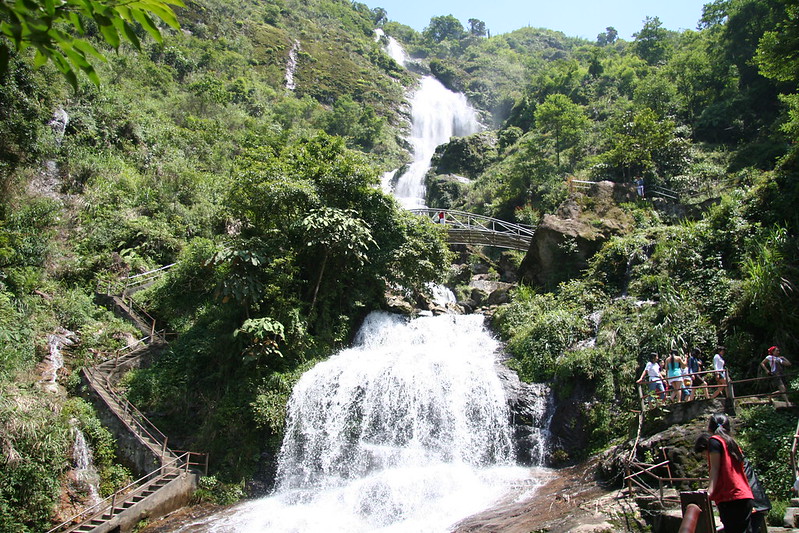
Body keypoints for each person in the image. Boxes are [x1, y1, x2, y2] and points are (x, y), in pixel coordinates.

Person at [694, 413, 754, 533]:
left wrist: (709, 492)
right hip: (744, 495)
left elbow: (715, 468)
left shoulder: (714, 441)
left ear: (709, 429)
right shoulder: (732, 443)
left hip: (730, 496)